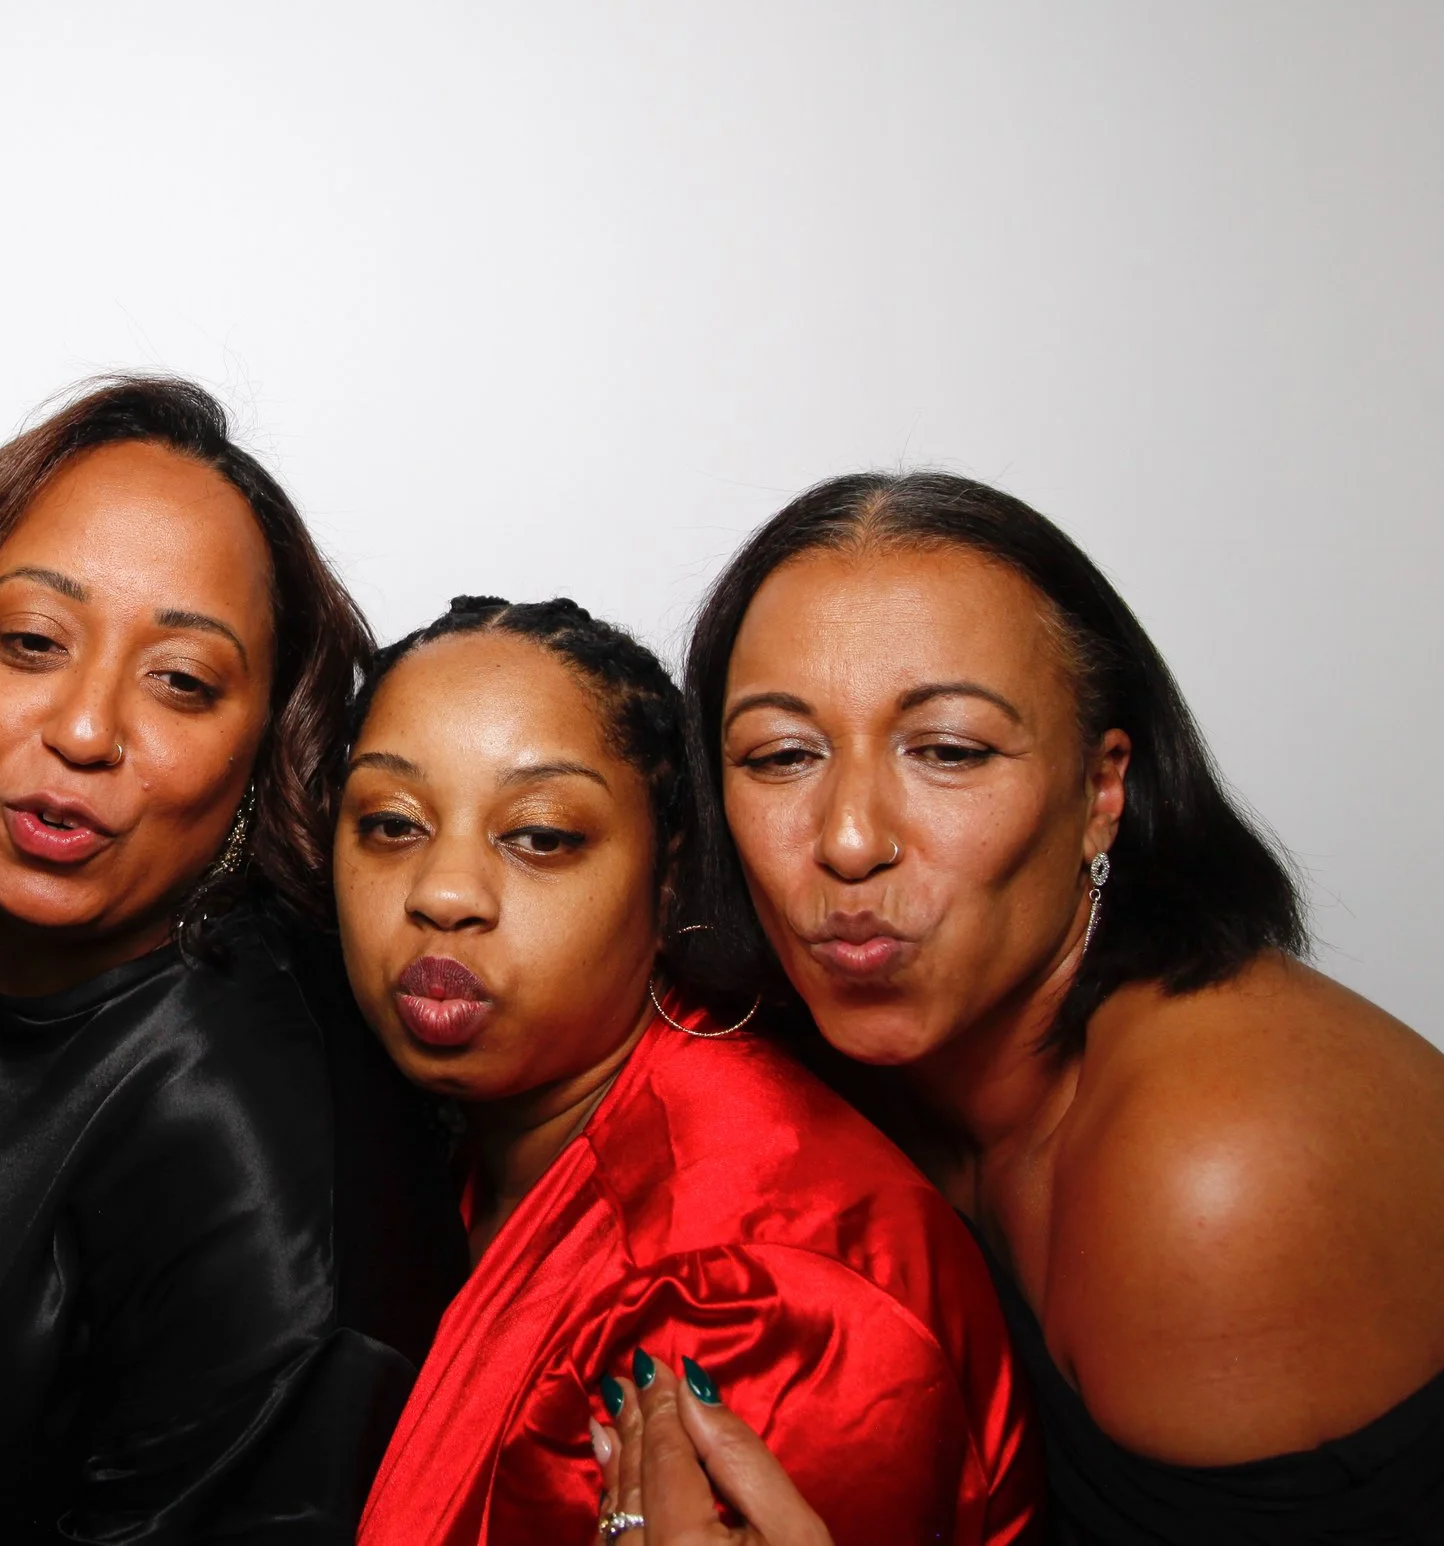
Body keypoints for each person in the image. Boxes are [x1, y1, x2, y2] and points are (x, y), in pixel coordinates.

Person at [621, 470, 1444, 1544]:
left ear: (1101, 791)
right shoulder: (847, 1064)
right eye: (781, 756)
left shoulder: (1214, 1160)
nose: (849, 839)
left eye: (948, 751)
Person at [0, 377, 464, 1543]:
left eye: (182, 680)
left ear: (269, 743)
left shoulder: (253, 1154)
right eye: (31, 641)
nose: (82, 729)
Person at [337, 596, 1044, 1546]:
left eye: (540, 835)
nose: (443, 893)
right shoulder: (481, 1131)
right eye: (391, 823)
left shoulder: (747, 1296)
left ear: (668, 877)